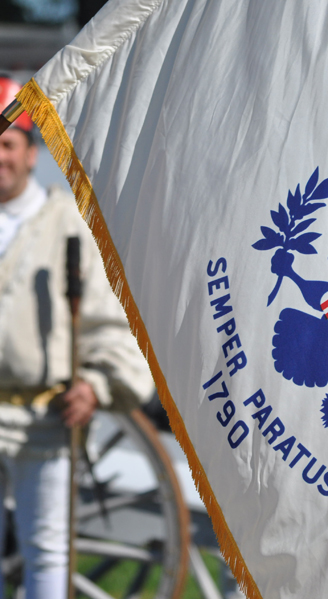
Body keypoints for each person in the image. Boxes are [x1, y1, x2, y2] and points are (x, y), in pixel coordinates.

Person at [0, 76, 154, 598]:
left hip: (46, 419)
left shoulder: (69, 226)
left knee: (47, 553)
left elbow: (110, 324)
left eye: (7, 144)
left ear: (28, 151)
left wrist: (96, 383)